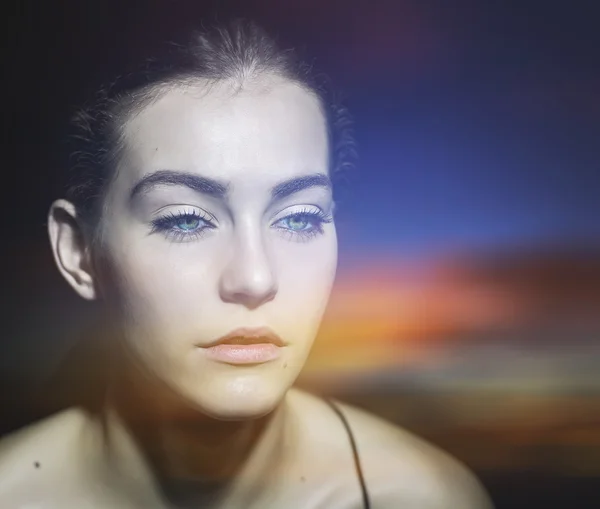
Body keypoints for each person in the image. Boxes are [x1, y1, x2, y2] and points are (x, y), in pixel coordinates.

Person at [0, 19, 493, 508]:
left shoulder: (420, 499)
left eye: (299, 218)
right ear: (79, 251)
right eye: (187, 221)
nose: (255, 279)